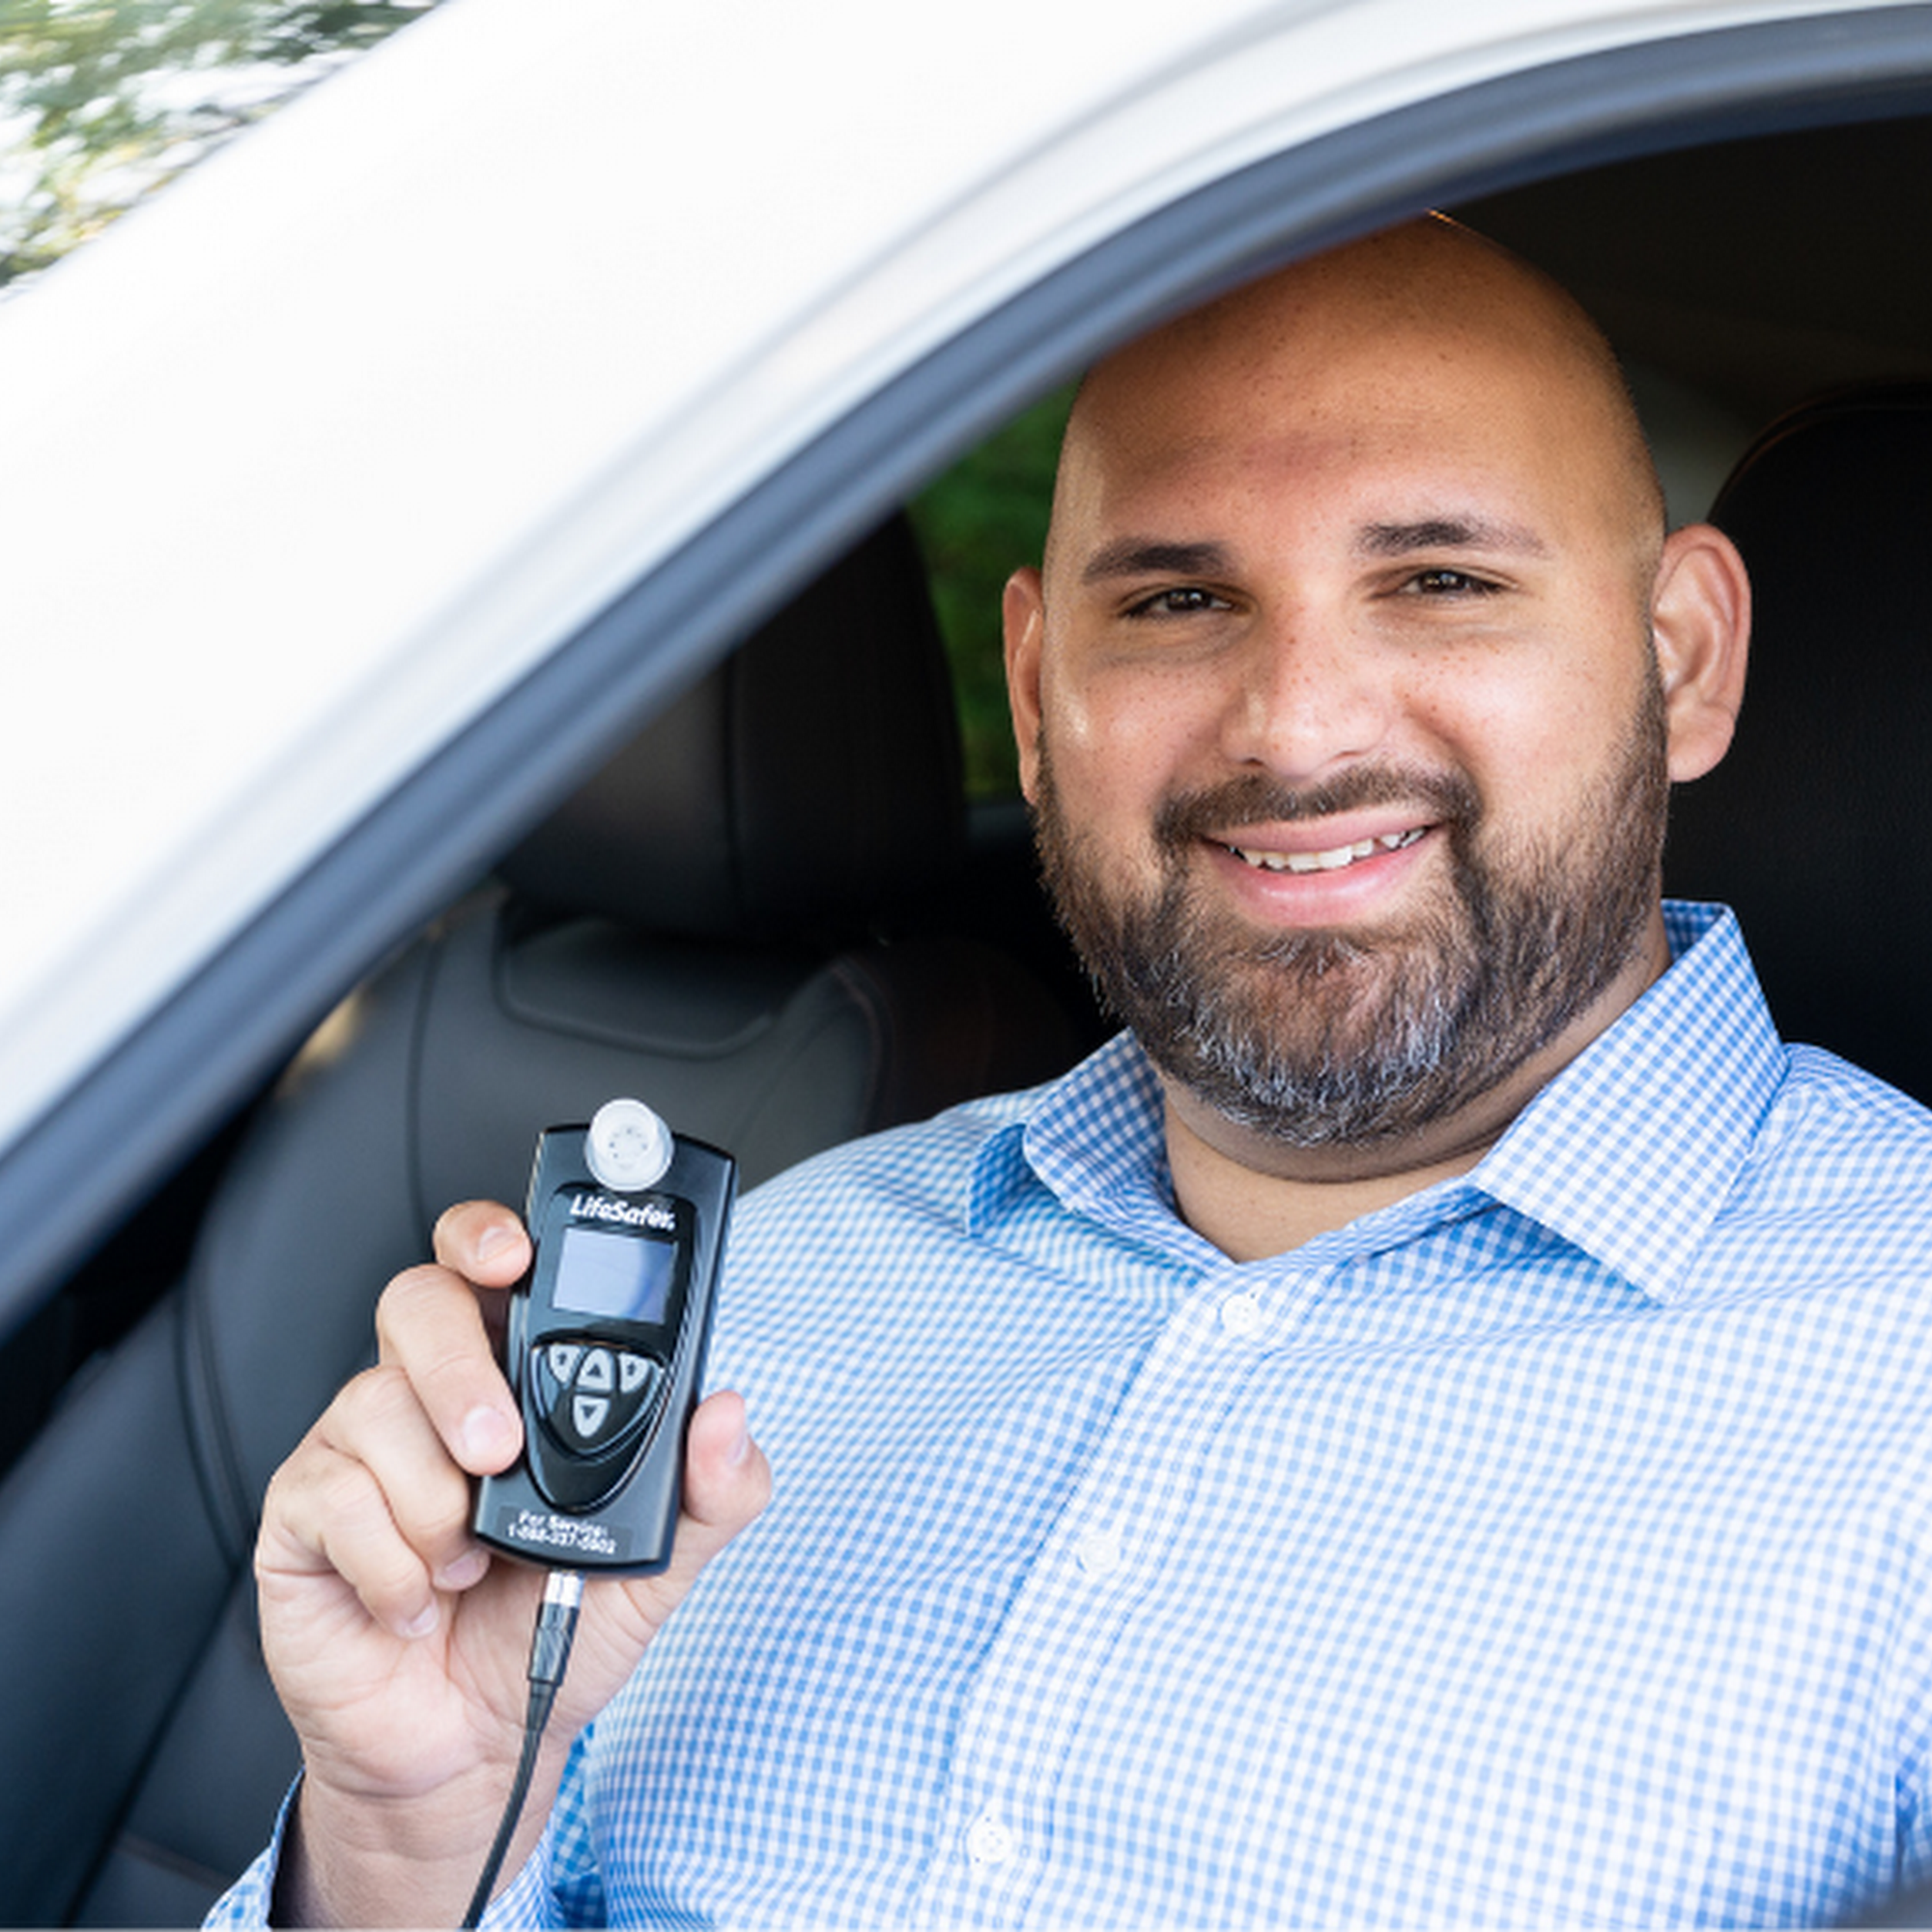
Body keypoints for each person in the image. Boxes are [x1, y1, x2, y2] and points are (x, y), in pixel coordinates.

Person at [210, 215, 1932, 1930]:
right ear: (1036, 696)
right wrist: (403, 1854)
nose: (1301, 725)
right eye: (1181, 600)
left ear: (1682, 659)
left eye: (1441, 581)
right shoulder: (763, 1296)